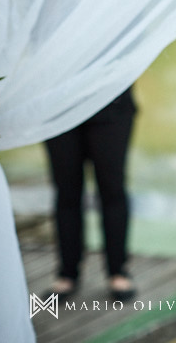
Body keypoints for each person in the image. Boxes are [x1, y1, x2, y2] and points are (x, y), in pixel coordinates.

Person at [44, 88, 137, 301]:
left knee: (112, 189)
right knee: (66, 192)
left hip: (111, 103)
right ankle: (67, 273)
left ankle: (118, 271)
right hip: (60, 107)